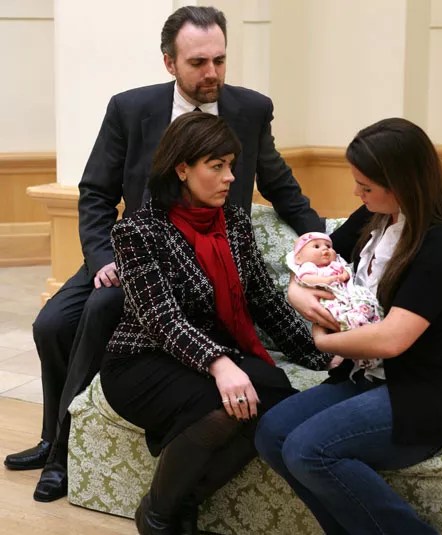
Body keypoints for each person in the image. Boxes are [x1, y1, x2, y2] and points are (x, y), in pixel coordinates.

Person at [3, 5, 324, 503]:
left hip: (202, 260)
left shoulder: (251, 109)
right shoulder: (131, 108)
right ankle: (55, 438)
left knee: (104, 309)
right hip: (129, 251)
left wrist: (320, 240)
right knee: (52, 325)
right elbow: (96, 193)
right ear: (170, 63)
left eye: (219, 60)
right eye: (198, 62)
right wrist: (103, 259)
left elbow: (282, 186)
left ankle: (64, 455)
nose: (211, 72)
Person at [99, 111, 331, 535]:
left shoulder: (235, 223)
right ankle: (157, 519)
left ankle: (178, 507)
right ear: (182, 169)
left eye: (231, 165)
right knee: (228, 405)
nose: (230, 177)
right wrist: (220, 364)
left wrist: (324, 354)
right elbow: (160, 317)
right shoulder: (137, 231)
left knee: (275, 396)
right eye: (216, 166)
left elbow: (264, 301)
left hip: (210, 355)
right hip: (142, 361)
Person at [255, 117, 442, 534]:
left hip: (423, 392)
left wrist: (324, 339)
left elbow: (392, 340)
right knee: (272, 433)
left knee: (307, 450)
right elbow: (312, 261)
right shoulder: (376, 215)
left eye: (366, 186)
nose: (356, 193)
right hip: (364, 377)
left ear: (402, 184)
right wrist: (297, 293)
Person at [288, 231, 384, 374]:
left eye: (328, 246)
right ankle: (361, 354)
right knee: (346, 321)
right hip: (330, 300)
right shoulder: (309, 267)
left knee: (367, 309)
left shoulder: (336, 264)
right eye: (316, 246)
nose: (325, 249)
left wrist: (344, 275)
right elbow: (305, 278)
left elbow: (346, 272)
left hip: (349, 296)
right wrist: (322, 281)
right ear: (299, 258)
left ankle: (366, 345)